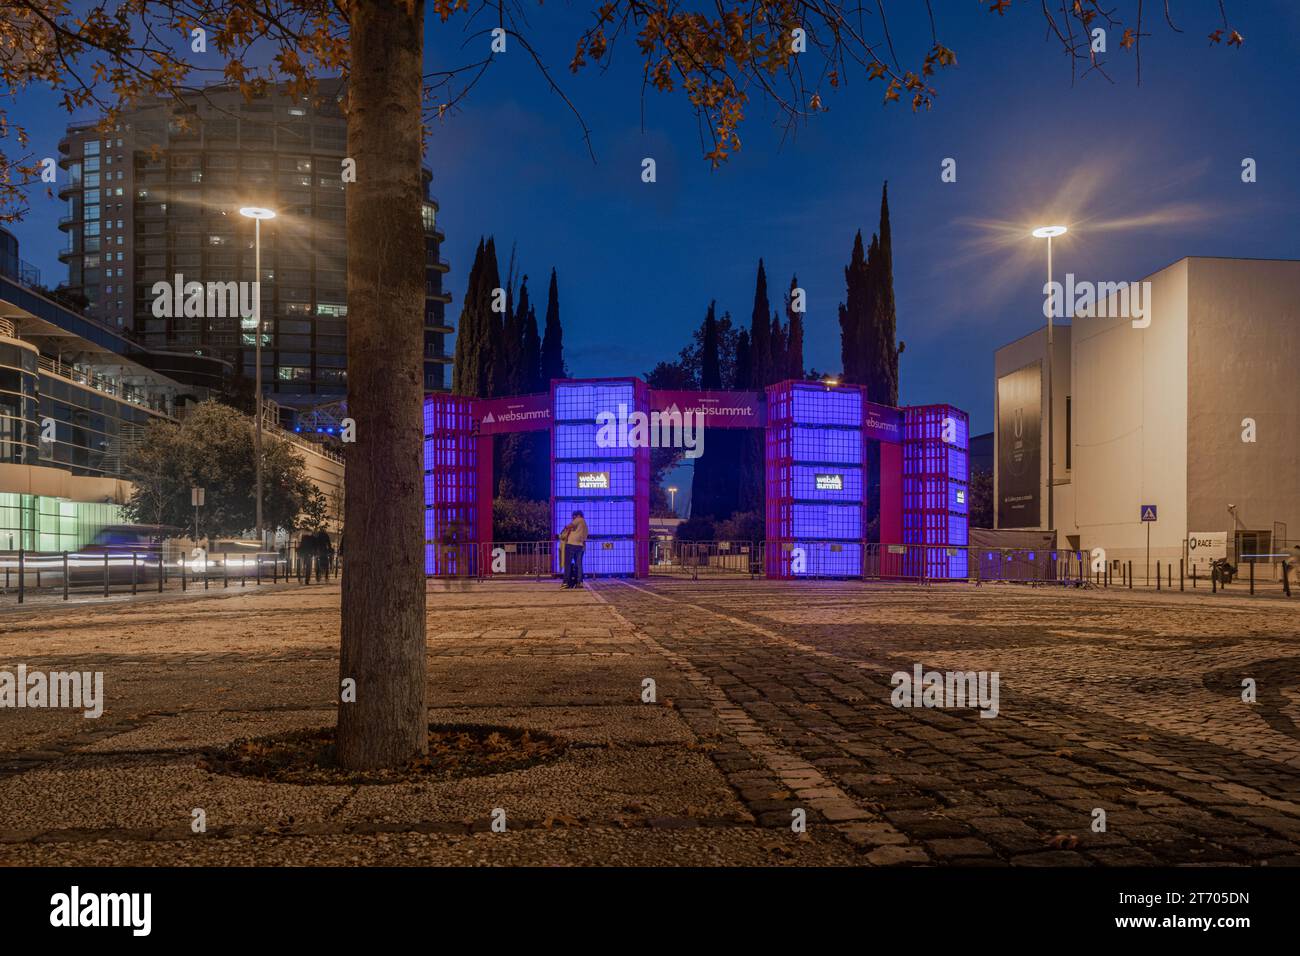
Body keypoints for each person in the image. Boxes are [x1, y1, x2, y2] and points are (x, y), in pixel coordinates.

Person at [559, 509, 589, 588]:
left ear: (576, 515)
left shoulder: (578, 519)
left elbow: (569, 526)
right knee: (579, 565)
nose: (572, 518)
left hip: (571, 544)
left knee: (567, 564)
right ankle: (579, 582)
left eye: (573, 516)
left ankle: (566, 583)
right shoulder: (585, 524)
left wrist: (565, 528)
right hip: (580, 546)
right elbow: (585, 537)